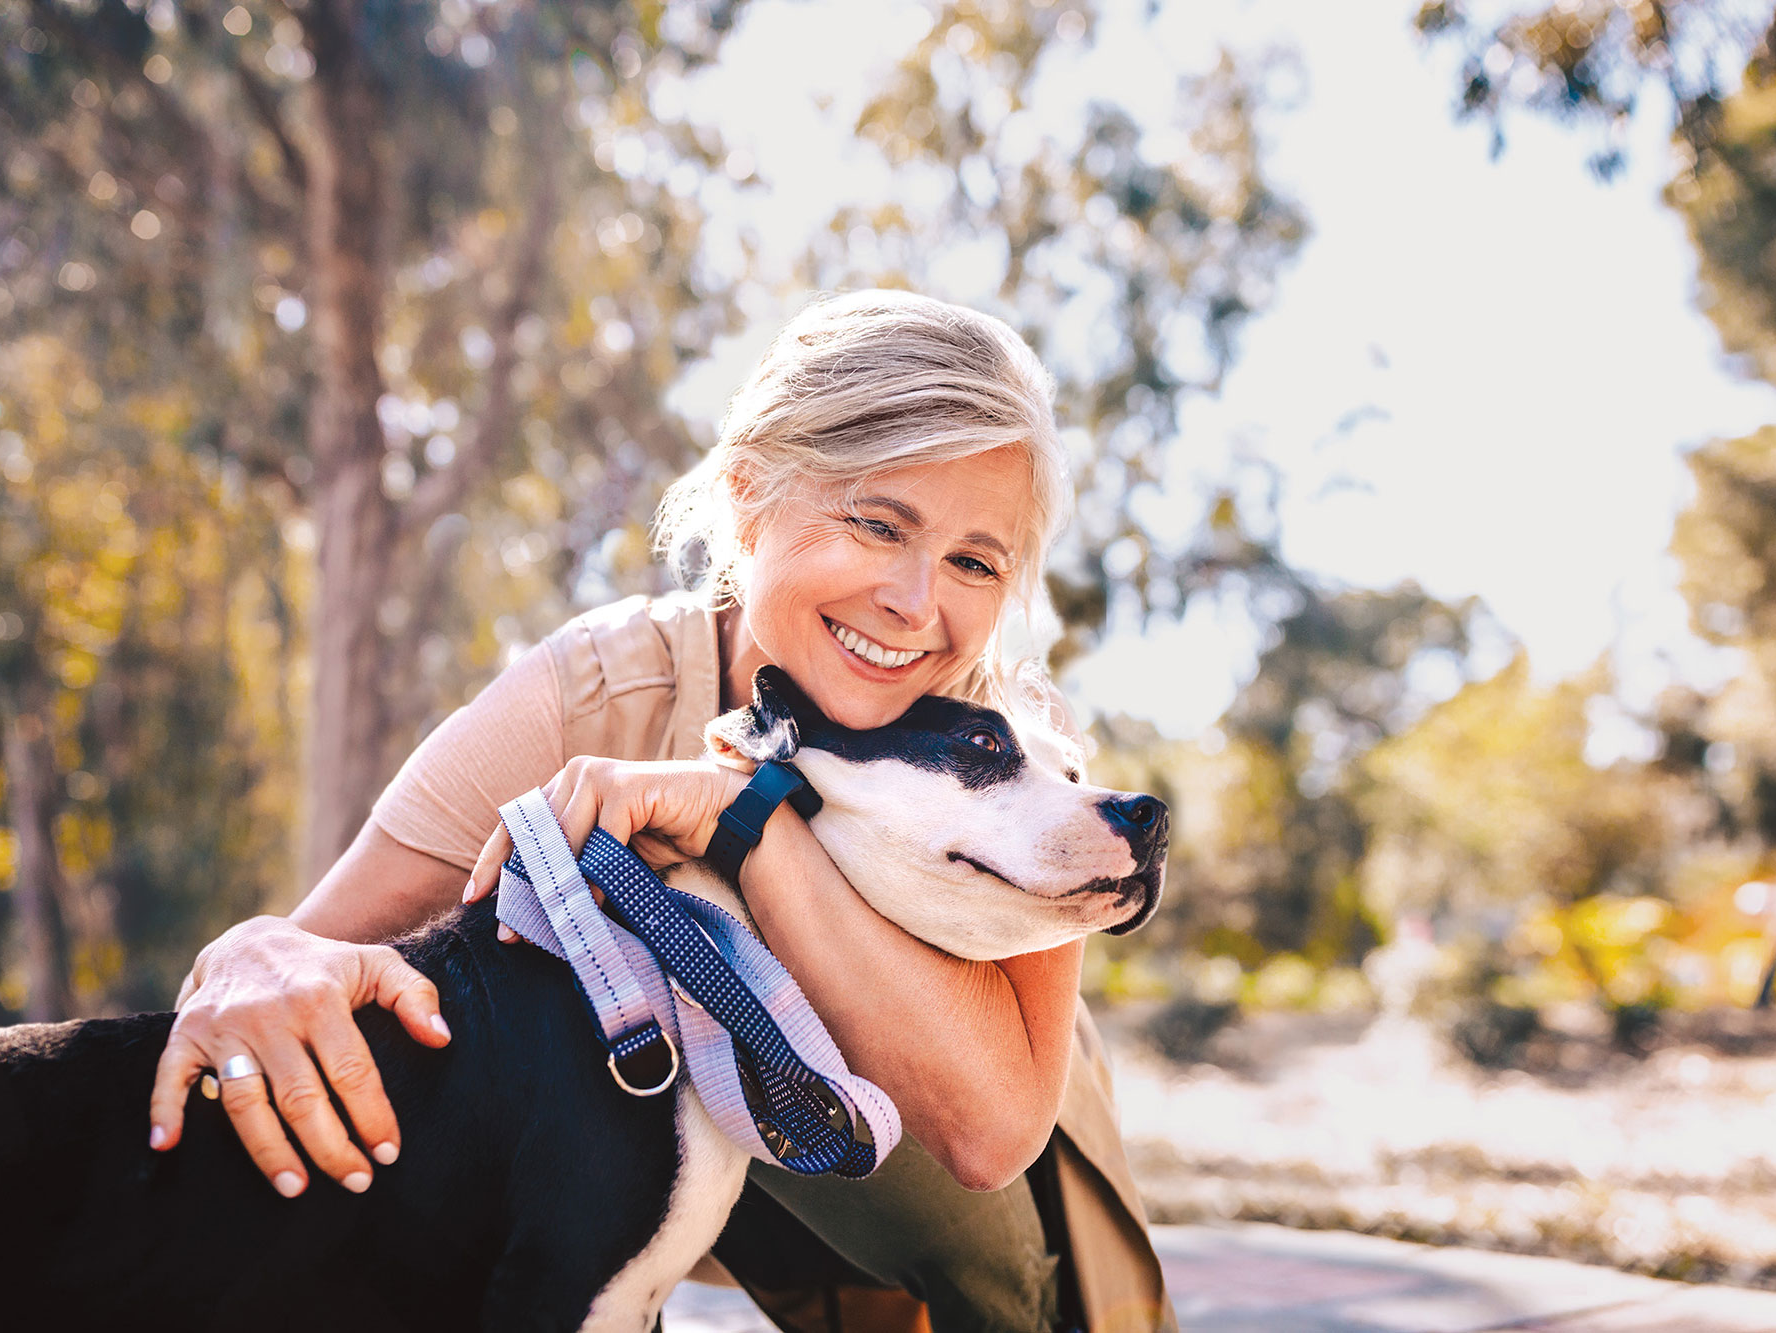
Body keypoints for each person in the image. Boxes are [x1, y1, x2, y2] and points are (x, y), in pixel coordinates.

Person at [147, 290, 1177, 1333]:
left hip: (959, 1223)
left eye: (972, 561)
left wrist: (742, 818)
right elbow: (307, 954)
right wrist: (248, 958)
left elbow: (988, 1134)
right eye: (876, 523)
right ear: (746, 496)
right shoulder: (598, 693)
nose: (915, 603)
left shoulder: (1024, 759)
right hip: (666, 1154)